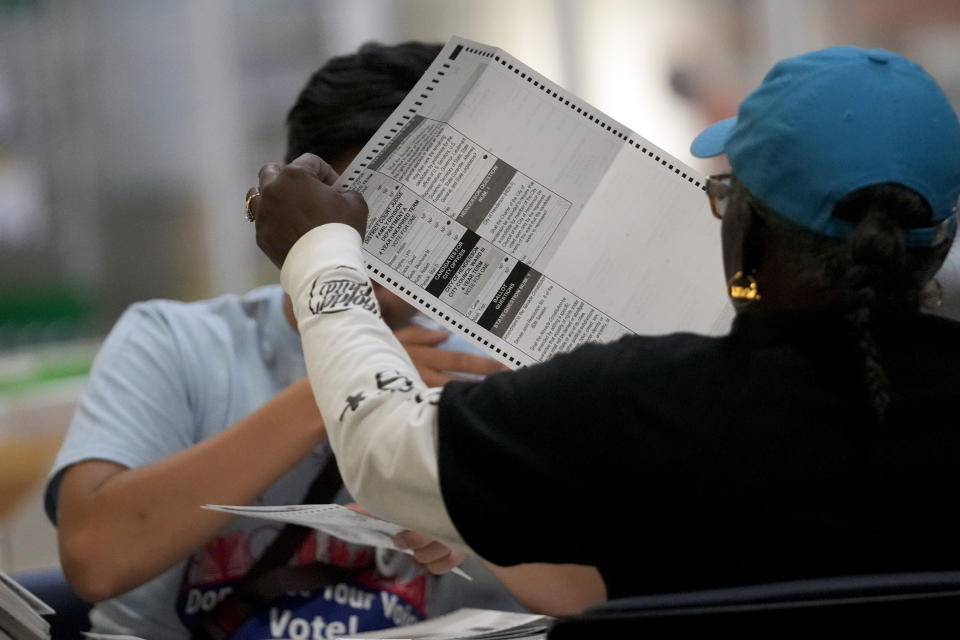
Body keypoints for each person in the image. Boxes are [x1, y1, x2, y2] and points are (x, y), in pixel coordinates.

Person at [250, 46, 960, 600]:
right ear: (943, 242)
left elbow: (382, 454)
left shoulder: (643, 402)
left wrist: (320, 251)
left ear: (747, 227)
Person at [44, 42, 597, 640]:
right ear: (297, 203)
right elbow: (94, 558)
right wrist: (342, 391)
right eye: (370, 216)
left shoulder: (483, 365)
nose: (408, 251)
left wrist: (463, 510)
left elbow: (588, 595)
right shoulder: (175, 341)